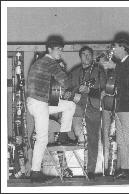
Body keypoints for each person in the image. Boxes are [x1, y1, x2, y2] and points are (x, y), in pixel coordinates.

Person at [26, 35, 76, 183]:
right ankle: (35, 172)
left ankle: (63, 135)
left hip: (39, 102)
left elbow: (55, 85)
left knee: (69, 105)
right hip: (39, 103)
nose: (60, 52)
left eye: (61, 49)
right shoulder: (50, 62)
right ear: (50, 49)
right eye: (58, 49)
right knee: (42, 138)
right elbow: (65, 80)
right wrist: (74, 89)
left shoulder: (40, 61)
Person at [101, 37, 129, 179]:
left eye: (116, 47)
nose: (114, 50)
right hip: (118, 106)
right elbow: (115, 83)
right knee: (121, 139)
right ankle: (126, 168)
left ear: (123, 48)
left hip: (127, 105)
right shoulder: (120, 64)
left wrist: (114, 67)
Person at [68, 46, 107, 180]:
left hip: (93, 106)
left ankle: (90, 170)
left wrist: (89, 91)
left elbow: (103, 91)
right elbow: (69, 89)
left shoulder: (99, 71)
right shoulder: (74, 72)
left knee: (93, 138)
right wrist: (76, 94)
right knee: (76, 133)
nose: (87, 57)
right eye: (84, 54)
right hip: (78, 106)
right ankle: (73, 167)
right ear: (80, 56)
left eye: (89, 54)